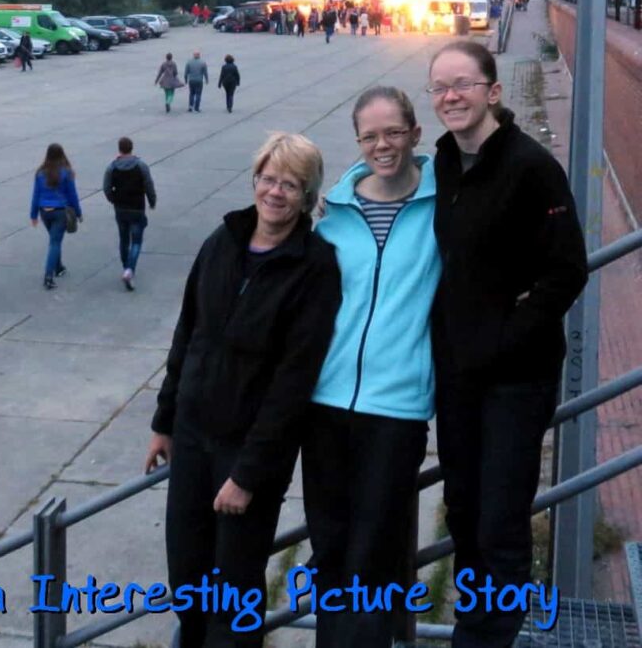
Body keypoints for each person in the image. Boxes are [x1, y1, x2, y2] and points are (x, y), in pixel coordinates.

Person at [145, 133, 341, 648]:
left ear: (307, 195)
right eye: (268, 179)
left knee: (233, 598)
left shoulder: (314, 266)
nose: (276, 192)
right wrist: (164, 422)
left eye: (291, 184)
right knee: (188, 581)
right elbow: (189, 333)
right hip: (191, 438)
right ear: (255, 180)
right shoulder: (224, 240)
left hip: (247, 453)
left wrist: (248, 475)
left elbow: (294, 383)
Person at [427, 41, 588, 648]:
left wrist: (505, 337)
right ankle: (475, 628)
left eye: (463, 84)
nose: (450, 96)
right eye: (440, 86)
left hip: (517, 379)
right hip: (459, 376)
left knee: (499, 522)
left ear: (492, 91)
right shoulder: (441, 164)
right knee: (464, 511)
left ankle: (487, 640)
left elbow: (567, 269)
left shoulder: (531, 166)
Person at [302, 86, 441, 648]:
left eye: (392, 132)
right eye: (370, 136)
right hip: (326, 404)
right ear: (357, 142)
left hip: (397, 408)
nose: (382, 145)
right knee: (330, 546)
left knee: (373, 554)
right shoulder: (333, 212)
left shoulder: (444, 205)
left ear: (415, 133)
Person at [103, 136, 157, 291]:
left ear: (119, 149)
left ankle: (126, 266)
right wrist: (152, 201)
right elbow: (148, 185)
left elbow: (106, 188)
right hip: (137, 208)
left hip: (120, 208)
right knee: (137, 241)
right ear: (131, 148)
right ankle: (129, 270)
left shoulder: (112, 167)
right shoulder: (141, 166)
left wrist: (113, 199)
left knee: (123, 239)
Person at [30, 143, 82, 289]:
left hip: (44, 211)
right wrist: (78, 212)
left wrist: (33, 214)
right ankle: (48, 275)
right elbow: (72, 195)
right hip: (60, 211)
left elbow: (36, 194)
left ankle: (59, 267)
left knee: (54, 240)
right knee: (55, 242)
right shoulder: (66, 172)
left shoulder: (40, 173)